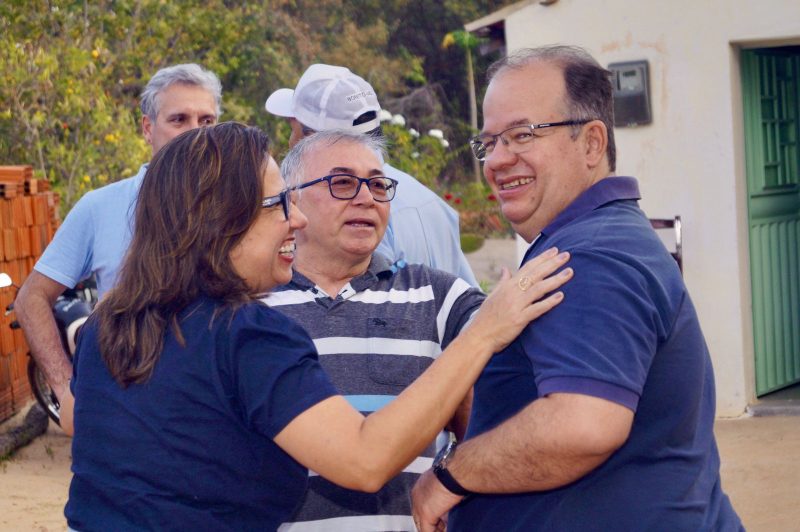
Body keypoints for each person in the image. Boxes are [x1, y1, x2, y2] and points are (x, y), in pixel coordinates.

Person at [64, 122, 571, 531]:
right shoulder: (248, 334)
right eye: (278, 205)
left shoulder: (108, 326)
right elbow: (364, 460)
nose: (296, 220)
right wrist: (482, 333)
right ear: (222, 219)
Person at [411, 45, 743, 531]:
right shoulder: (597, 239)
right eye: (489, 142)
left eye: (522, 134)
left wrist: (450, 474)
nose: (497, 159)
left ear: (591, 143)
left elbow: (583, 425)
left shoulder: (592, 255)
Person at [264, 130, 483, 531]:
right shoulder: (250, 306)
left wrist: (454, 476)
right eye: (342, 182)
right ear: (291, 200)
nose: (366, 197)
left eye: (378, 185)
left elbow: (500, 403)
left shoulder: (439, 297)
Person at [14, 63, 221, 433]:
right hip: (127, 421)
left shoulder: (241, 209)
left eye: (206, 121)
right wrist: (65, 388)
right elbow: (32, 298)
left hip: (217, 420)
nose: (195, 133)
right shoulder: (101, 207)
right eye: (179, 119)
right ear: (147, 128)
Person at [264, 63, 479, 286]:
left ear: (309, 139)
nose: (367, 199)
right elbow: (469, 296)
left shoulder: (348, 219)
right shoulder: (432, 202)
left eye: (293, 129)